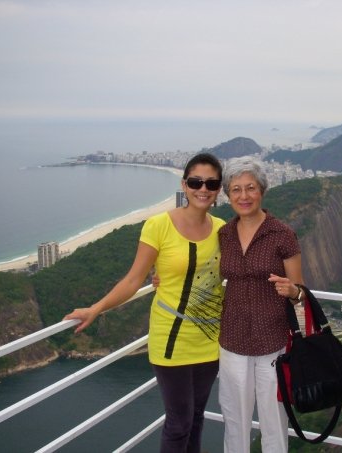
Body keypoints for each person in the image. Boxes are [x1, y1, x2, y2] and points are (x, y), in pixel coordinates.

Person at [63, 153, 225, 453]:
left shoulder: (221, 229)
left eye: (211, 183)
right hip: (171, 340)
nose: (203, 189)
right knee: (179, 423)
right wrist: (96, 308)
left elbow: (232, 274)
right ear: (184, 185)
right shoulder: (158, 225)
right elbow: (132, 280)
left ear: (218, 189)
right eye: (196, 182)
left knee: (196, 418)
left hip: (209, 339)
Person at [217, 157, 306, 453]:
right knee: (234, 420)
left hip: (273, 342)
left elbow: (302, 293)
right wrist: (161, 278)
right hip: (232, 340)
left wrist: (292, 290)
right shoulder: (224, 235)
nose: (243, 196)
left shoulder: (282, 234)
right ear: (228, 195)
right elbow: (204, 273)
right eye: (236, 189)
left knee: (274, 421)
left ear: (262, 191)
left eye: (250, 188)